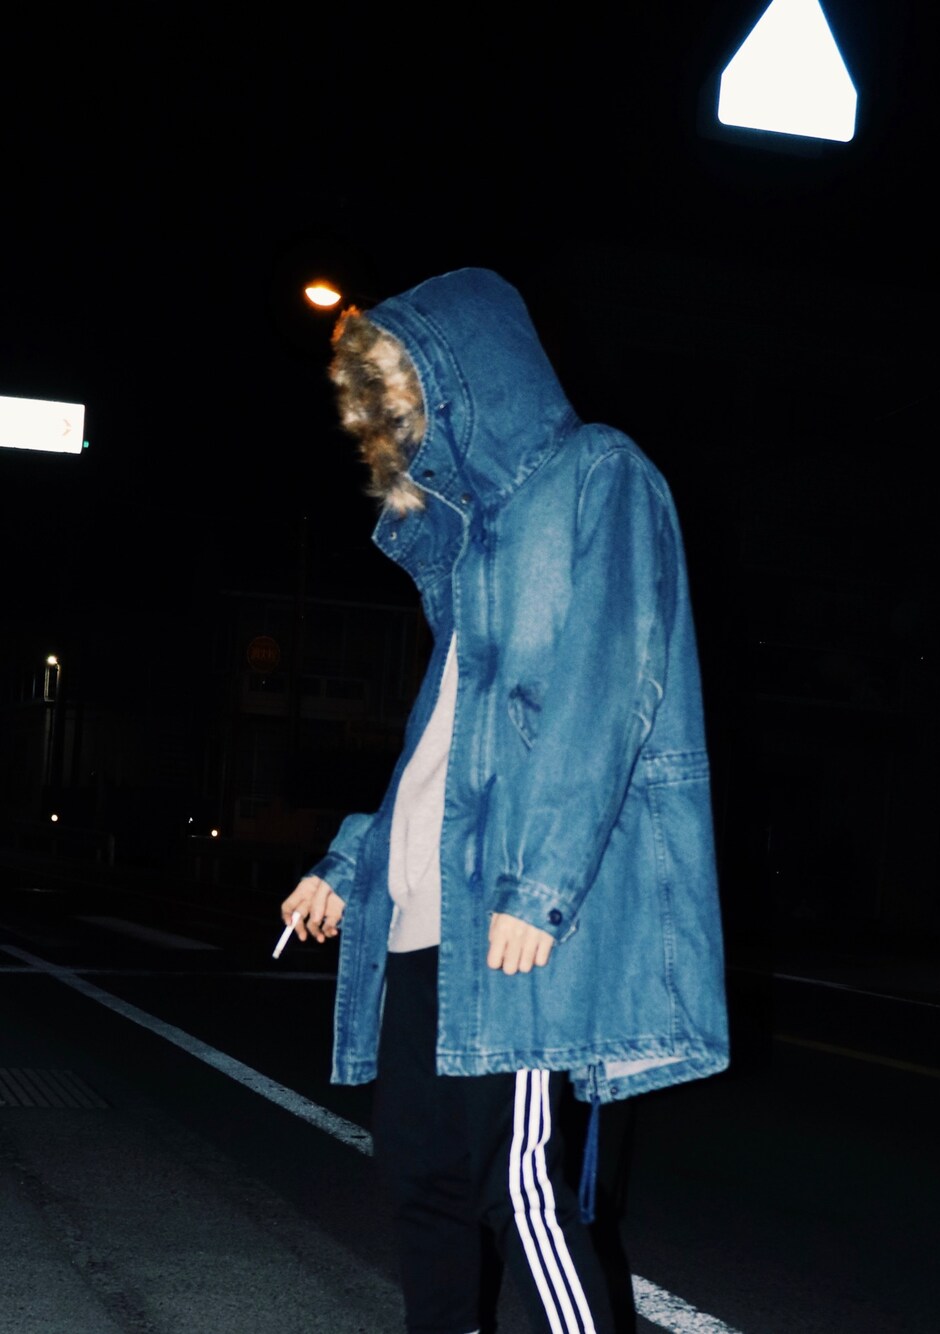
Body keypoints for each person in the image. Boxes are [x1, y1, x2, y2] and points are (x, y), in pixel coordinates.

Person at [280, 267, 729, 1334]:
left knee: (518, 1192)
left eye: (412, 393)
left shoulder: (597, 474)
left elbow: (607, 694)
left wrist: (542, 884)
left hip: (506, 911)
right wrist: (350, 861)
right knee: (420, 1183)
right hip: (419, 915)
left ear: (470, 374)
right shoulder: (470, 544)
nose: (405, 422)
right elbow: (438, 744)